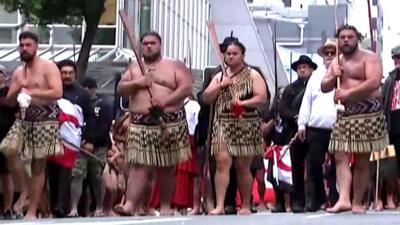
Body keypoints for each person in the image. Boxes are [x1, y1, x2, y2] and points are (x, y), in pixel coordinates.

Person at [114, 31, 193, 216]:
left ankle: (165, 206)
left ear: (160, 45)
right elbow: (120, 89)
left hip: (169, 122)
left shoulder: (175, 66)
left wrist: (165, 102)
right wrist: (138, 83)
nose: (148, 46)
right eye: (145, 43)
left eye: (152, 43)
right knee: (138, 165)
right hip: (141, 124)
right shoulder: (134, 68)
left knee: (166, 166)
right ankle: (130, 205)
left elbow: (186, 88)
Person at [321, 25, 388, 214]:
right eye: (342, 37)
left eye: (350, 37)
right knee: (339, 154)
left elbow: (374, 82)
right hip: (344, 114)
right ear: (338, 40)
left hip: (368, 112)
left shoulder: (370, 57)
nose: (346, 40)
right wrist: (333, 75)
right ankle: (343, 199)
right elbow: (325, 86)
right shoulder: (336, 61)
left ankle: (357, 201)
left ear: (357, 39)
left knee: (361, 160)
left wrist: (348, 93)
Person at [0, 31, 63, 219]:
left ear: (36, 47)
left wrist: (31, 90)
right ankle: (25, 191)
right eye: (21, 45)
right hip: (24, 119)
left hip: (45, 119)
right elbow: (9, 102)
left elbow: (57, 92)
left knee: (38, 165)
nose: (24, 48)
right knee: (7, 149)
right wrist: (17, 88)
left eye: (28, 45)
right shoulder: (19, 72)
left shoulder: (48, 67)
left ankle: (33, 209)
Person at [202, 40, 268, 215]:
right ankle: (220, 205)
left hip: (246, 122)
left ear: (242, 55)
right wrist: (219, 86)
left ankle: (246, 204)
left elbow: (261, 98)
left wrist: (243, 103)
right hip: (222, 122)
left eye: (234, 53)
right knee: (222, 163)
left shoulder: (252, 74)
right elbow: (206, 98)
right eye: (228, 54)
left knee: (242, 166)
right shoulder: (219, 76)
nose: (230, 56)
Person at [46, 59, 95, 218]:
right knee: (52, 174)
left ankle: (62, 206)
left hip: (73, 141)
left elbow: (90, 118)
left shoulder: (83, 94)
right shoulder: (52, 91)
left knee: (67, 174)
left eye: (70, 73)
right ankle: (54, 206)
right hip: (51, 139)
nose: (67, 76)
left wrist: (88, 139)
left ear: (75, 74)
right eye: (64, 73)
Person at [296, 39, 337, 212]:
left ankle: (336, 197)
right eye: (326, 53)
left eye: (332, 53)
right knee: (313, 165)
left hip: (338, 126)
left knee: (338, 165)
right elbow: (307, 101)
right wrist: (301, 124)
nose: (329, 56)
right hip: (316, 127)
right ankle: (317, 197)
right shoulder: (316, 76)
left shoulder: (345, 73)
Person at [274, 55, 316, 213]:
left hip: (313, 130)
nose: (302, 69)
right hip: (294, 131)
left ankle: (314, 199)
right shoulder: (290, 89)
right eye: (300, 67)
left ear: (311, 69)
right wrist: (296, 117)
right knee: (297, 168)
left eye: (305, 67)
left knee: (313, 166)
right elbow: (282, 109)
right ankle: (298, 201)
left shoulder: (317, 87)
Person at [68, 77, 113, 217]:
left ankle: (99, 207)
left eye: (89, 87)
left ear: (94, 88)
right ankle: (74, 208)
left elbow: (105, 127)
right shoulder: (77, 103)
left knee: (97, 176)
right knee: (77, 174)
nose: (87, 90)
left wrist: (93, 142)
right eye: (85, 87)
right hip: (80, 145)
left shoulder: (104, 105)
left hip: (99, 146)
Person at [378, 44, 400, 210]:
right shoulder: (390, 79)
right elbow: (382, 102)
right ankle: (388, 197)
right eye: (395, 59)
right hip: (391, 123)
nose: (397, 61)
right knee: (389, 163)